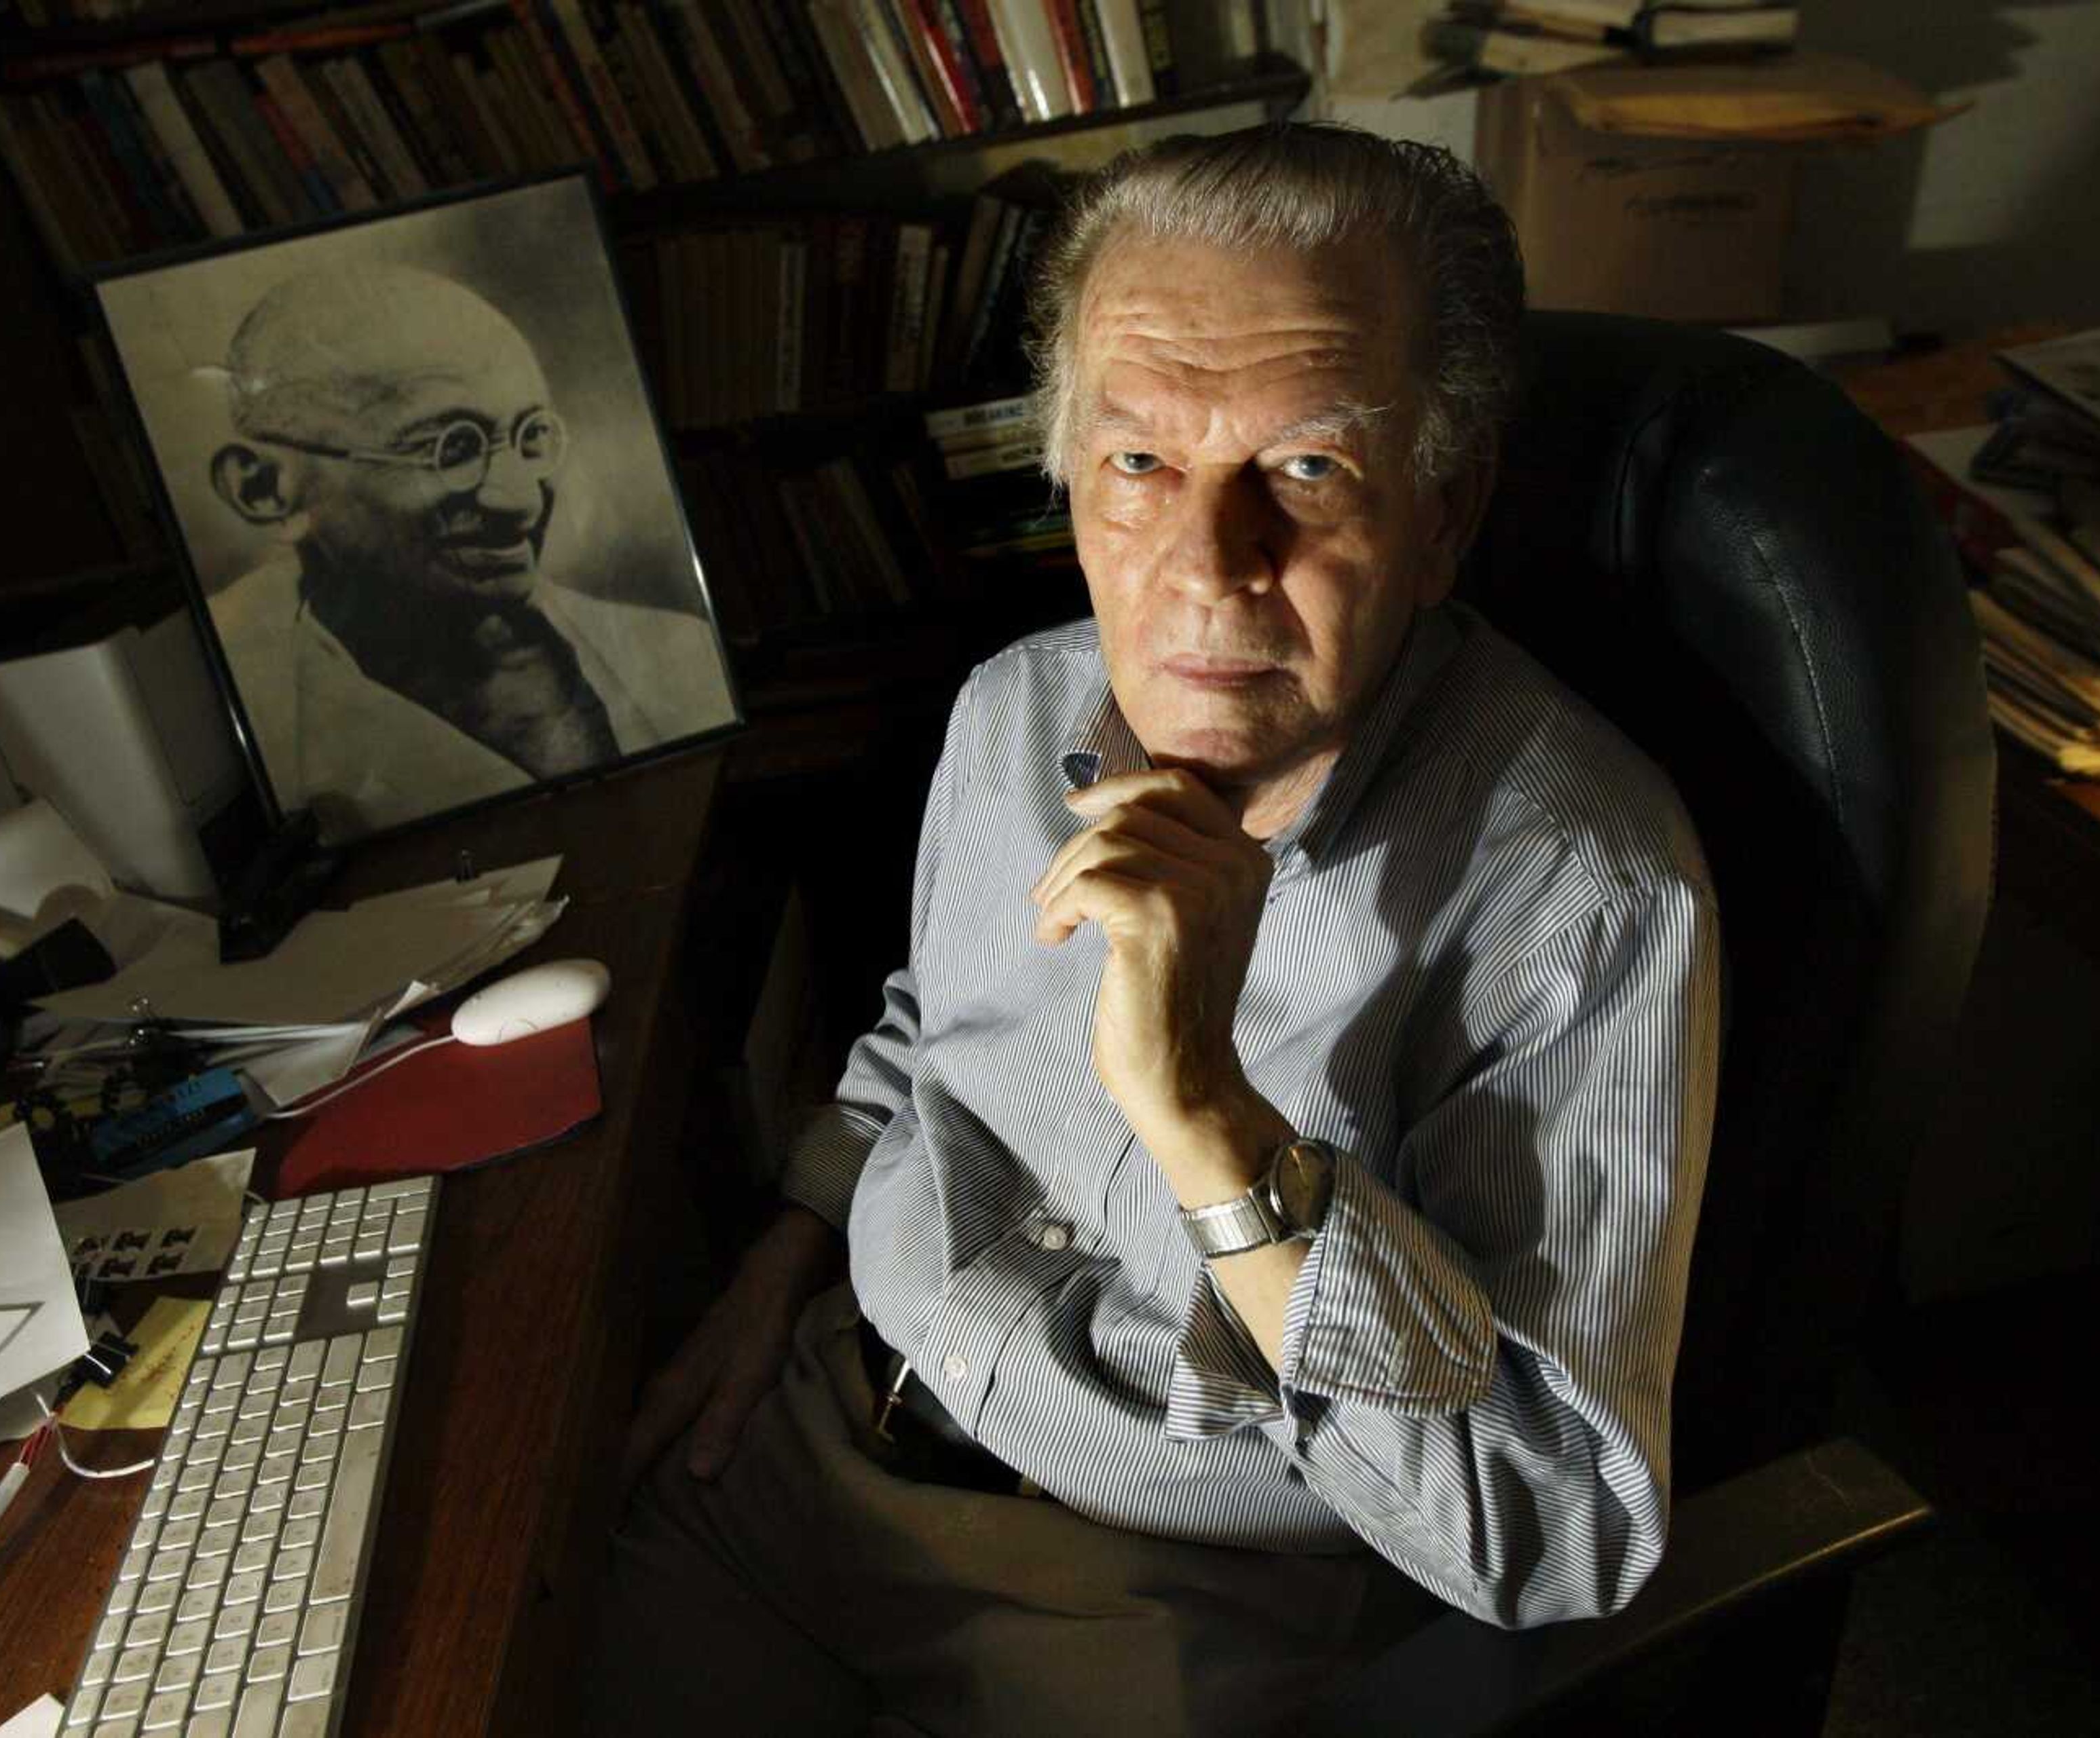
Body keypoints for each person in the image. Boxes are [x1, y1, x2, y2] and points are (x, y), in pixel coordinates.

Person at [589, 125, 1721, 1737]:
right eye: (1139, 463)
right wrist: (778, 1257)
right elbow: (930, 1024)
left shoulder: (1585, 889)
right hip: (810, 1437)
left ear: (1442, 505)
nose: (1206, 567)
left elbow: (1549, 1532)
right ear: (1066, 474)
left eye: (1306, 469)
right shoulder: (1014, 709)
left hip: (1150, 1588)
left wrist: (1211, 1124)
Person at [204, 264, 732, 837]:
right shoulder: (248, 734)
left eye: (532, 436)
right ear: (267, 489)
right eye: (451, 449)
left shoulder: (688, 661)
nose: (520, 503)